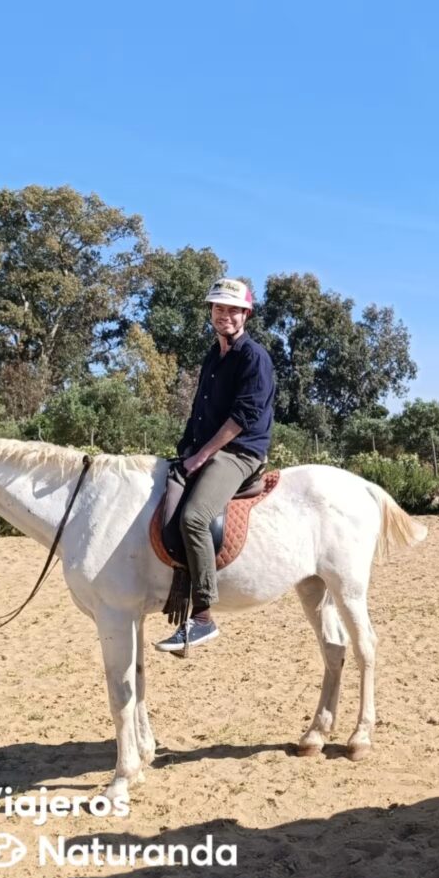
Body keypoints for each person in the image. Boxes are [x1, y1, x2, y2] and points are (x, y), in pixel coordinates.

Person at [154, 277, 276, 652]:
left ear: (246, 314)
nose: (225, 315)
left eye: (233, 309)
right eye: (219, 308)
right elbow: (200, 409)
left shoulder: (254, 357)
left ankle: (203, 616)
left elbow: (242, 416)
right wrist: (185, 449)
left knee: (194, 517)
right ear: (212, 312)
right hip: (205, 446)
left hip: (240, 452)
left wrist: (201, 456)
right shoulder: (213, 354)